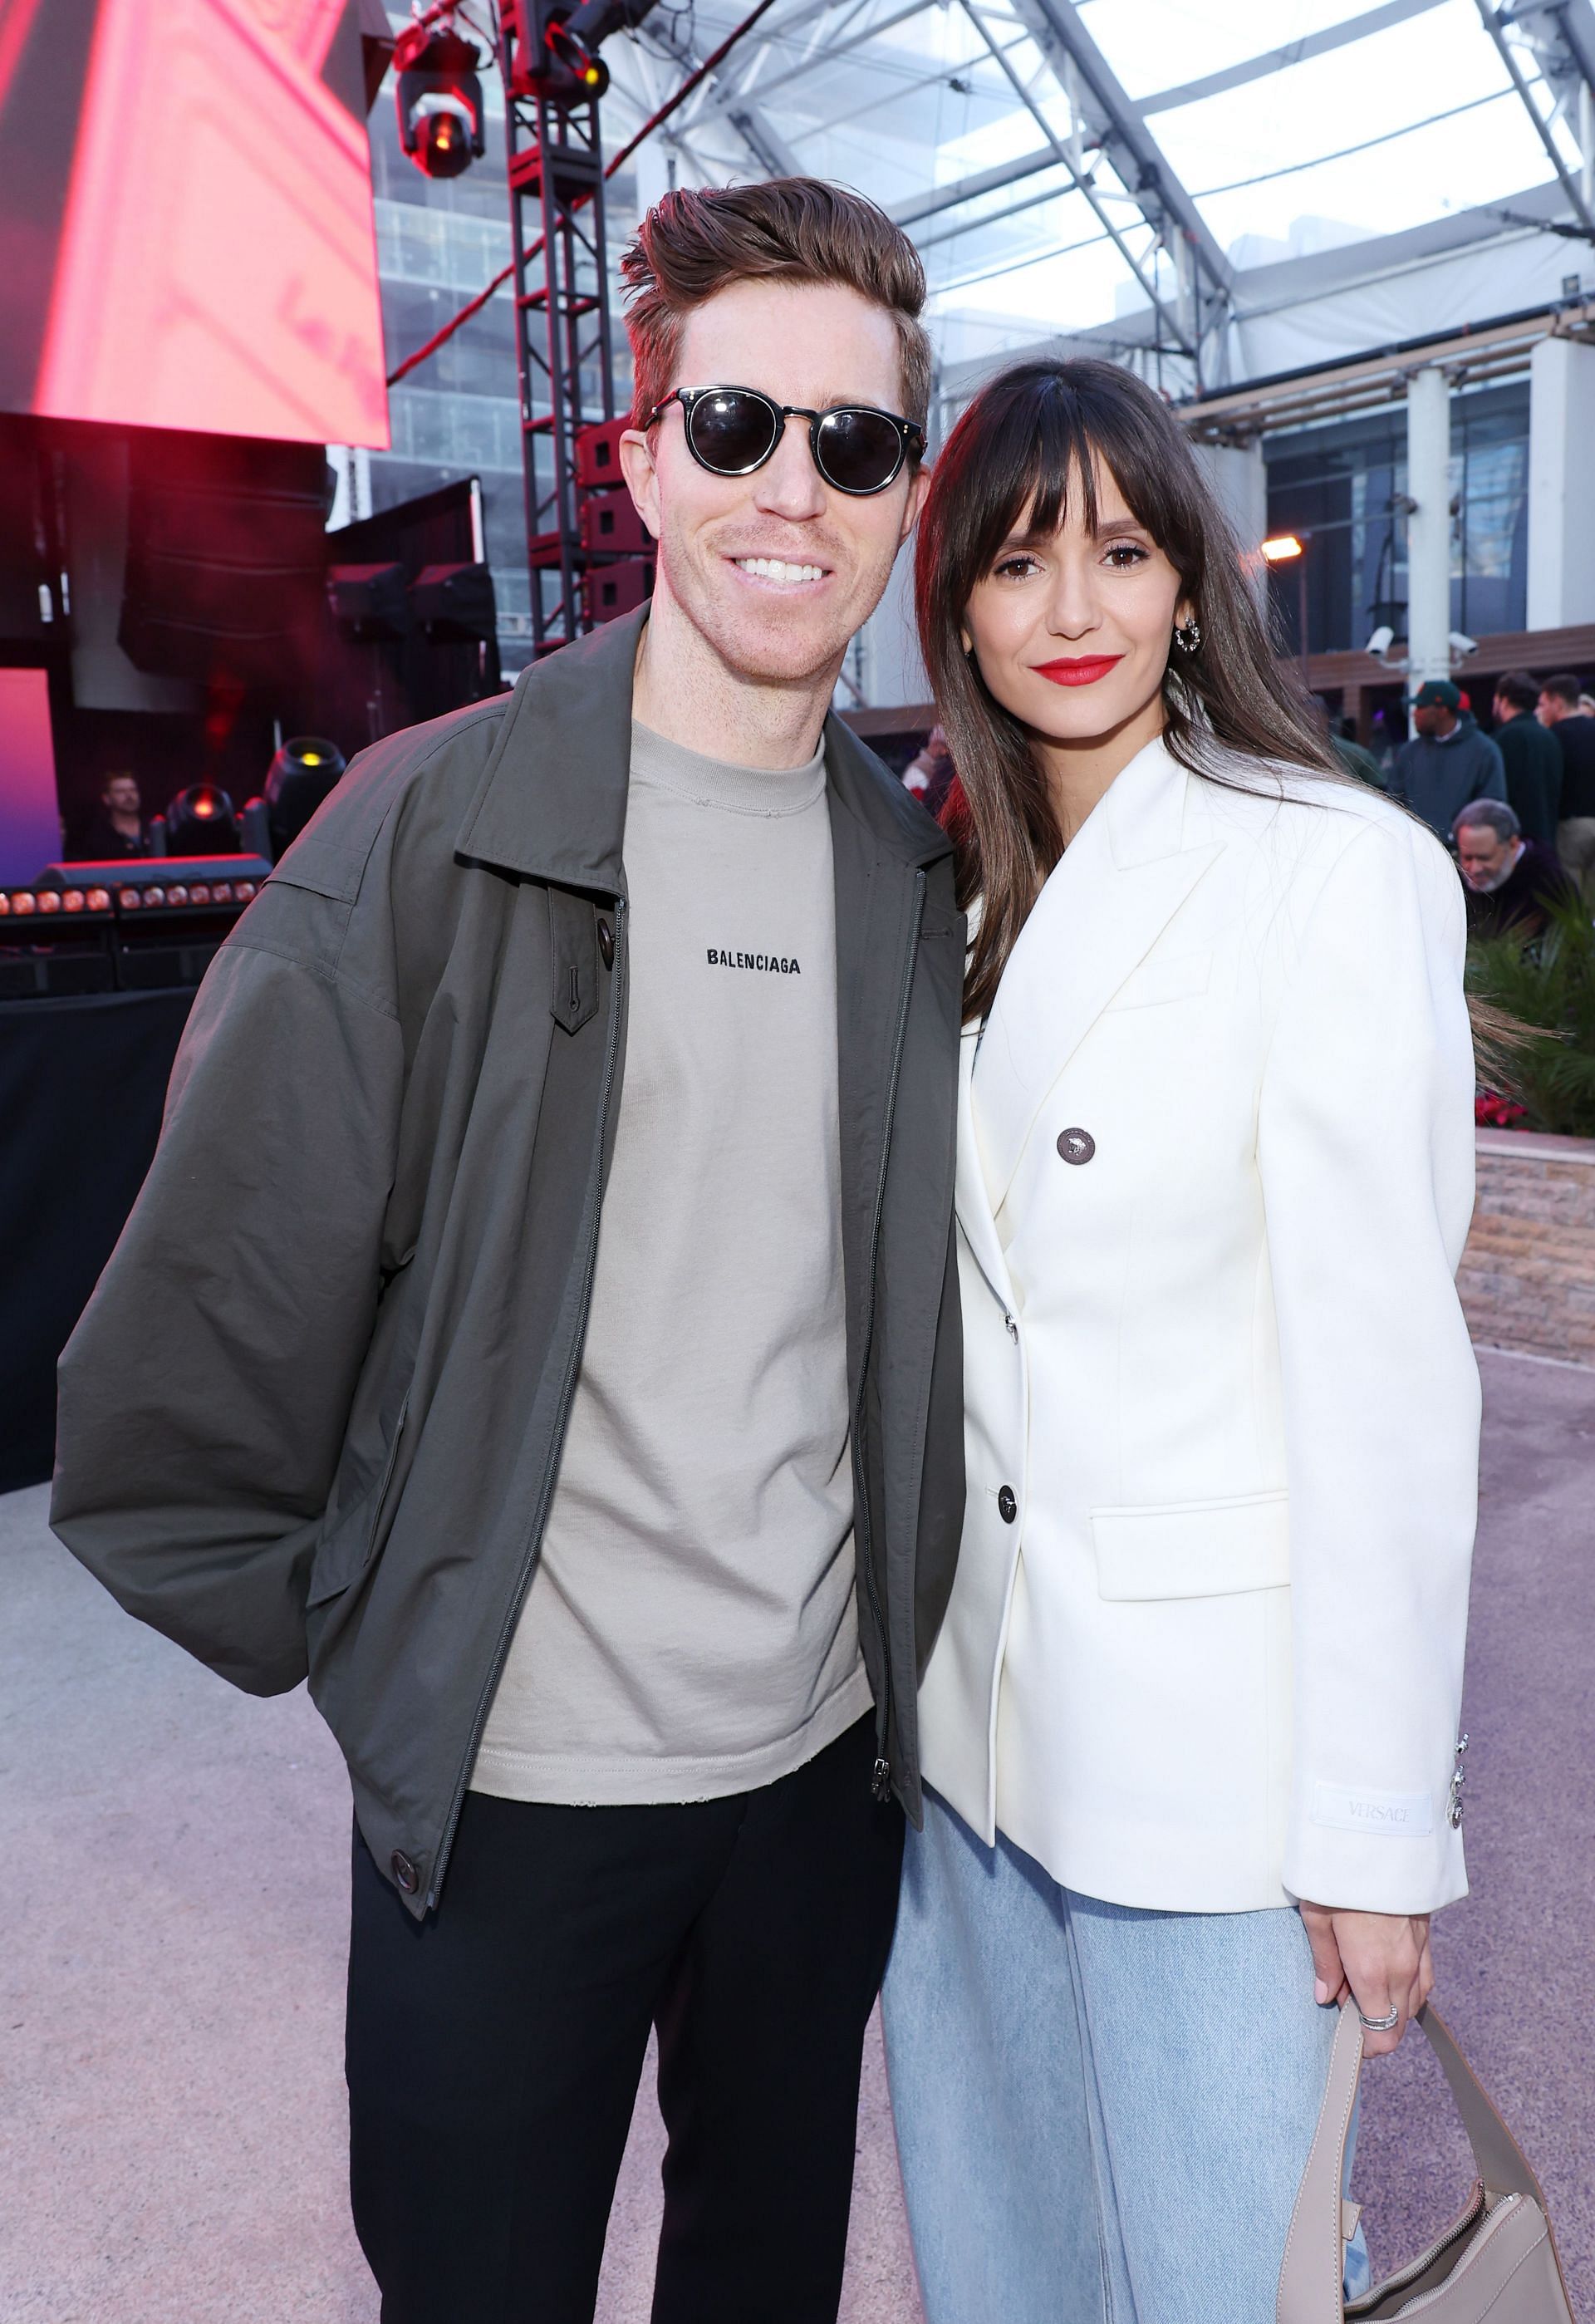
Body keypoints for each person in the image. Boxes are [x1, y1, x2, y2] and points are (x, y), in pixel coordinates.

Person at [52, 178, 966, 2324]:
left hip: (824, 1774)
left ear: (904, 491)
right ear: (640, 456)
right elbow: (207, 1305)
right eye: (737, 426)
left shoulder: (911, 874)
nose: (791, 490)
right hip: (513, 1781)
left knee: (766, 2276)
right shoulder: (427, 822)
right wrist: (372, 1632)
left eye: (855, 444)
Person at [879, 357, 1480, 2324]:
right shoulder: (925, 885)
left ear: (1189, 581)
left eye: (1121, 553)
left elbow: (1384, 1386)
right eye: (1020, 560)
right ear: (952, 595)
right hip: (962, 1749)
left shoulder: (1325, 866)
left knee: (1241, 2282)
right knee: (1010, 2278)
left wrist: (1375, 1826)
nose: (1073, 612)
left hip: (1212, 1771)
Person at [1390, 676, 1506, 841]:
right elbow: (1394, 803)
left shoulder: (1484, 750)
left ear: (1442, 710)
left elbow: (1492, 809)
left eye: (1421, 707)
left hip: (1464, 856)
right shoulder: (1408, 752)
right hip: (1417, 850)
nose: (1414, 713)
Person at [1455, 797, 1578, 939]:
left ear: (1513, 845)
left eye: (1484, 858)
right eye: (1467, 858)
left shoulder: (1548, 881)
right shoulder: (1455, 877)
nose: (1474, 869)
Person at [1536, 669, 1595, 902]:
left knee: (1572, 902)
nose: (1540, 710)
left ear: (1557, 702)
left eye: (1543, 704)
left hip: (1570, 828)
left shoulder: (1551, 738)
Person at [1490, 669, 1563, 847]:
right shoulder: (1549, 736)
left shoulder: (1503, 739)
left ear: (1504, 700)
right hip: (1547, 837)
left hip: (1515, 842)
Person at [78, 769, 150, 858]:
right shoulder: (99, 837)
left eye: (133, 790)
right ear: (107, 799)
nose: (129, 795)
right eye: (120, 791)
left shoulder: (154, 828)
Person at [901, 721, 956, 818]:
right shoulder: (916, 770)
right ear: (935, 744)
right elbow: (913, 808)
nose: (946, 752)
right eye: (944, 747)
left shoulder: (942, 768)